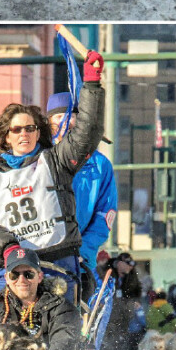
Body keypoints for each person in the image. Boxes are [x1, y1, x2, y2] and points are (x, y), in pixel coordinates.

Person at [0, 62, 104, 350]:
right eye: (16, 130)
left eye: (30, 128)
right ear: (5, 136)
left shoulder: (55, 161)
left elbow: (87, 134)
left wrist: (92, 85)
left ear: (39, 132)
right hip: (12, 265)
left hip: (57, 262)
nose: (23, 134)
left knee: (62, 330)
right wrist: (7, 246)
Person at [46, 91, 118, 275]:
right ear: (48, 122)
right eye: (59, 116)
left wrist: (83, 250)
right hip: (40, 259)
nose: (66, 122)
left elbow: (105, 213)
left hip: (79, 262)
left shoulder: (100, 165)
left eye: (72, 116)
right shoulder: (40, 158)